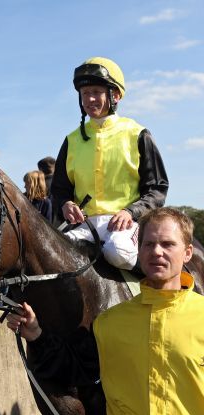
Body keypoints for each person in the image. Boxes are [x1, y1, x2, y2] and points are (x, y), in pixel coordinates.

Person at [6, 207, 204, 415]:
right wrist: (37, 335)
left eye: (168, 244)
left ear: (188, 253)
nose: (157, 252)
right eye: (149, 244)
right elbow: (78, 373)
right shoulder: (109, 324)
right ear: (138, 250)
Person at [51, 56, 169, 271]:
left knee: (118, 252)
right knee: (50, 256)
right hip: (84, 225)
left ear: (115, 95)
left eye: (96, 92)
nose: (90, 99)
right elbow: (59, 189)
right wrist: (66, 204)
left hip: (127, 224)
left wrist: (130, 212)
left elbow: (157, 188)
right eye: (85, 94)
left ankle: (160, 287)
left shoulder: (138, 134)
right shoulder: (71, 140)